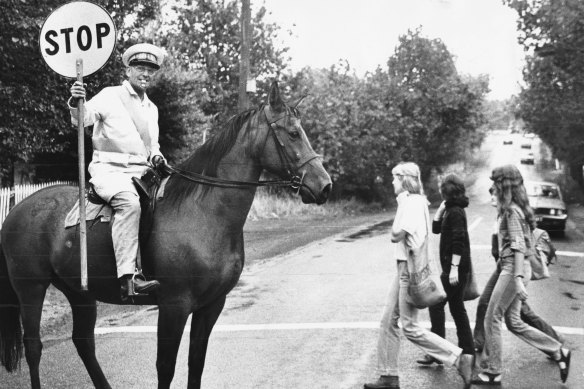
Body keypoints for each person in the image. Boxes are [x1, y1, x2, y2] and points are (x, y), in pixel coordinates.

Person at [68, 43, 167, 298]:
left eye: (150, 70)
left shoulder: (151, 108)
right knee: (129, 204)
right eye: (140, 68)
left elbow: (152, 146)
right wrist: (76, 100)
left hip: (141, 174)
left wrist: (157, 157)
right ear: (129, 70)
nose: (145, 74)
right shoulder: (110, 95)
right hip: (109, 173)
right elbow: (82, 119)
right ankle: (128, 279)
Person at [364, 162, 473, 389]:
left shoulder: (411, 202)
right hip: (403, 267)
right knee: (387, 320)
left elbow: (396, 234)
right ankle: (388, 376)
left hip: (409, 269)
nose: (391, 182)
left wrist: (401, 205)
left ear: (404, 179)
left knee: (410, 327)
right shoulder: (414, 202)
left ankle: (458, 357)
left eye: (394, 178)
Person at [472, 165, 571, 385]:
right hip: (506, 266)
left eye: (495, 183)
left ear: (503, 185)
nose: (492, 187)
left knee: (492, 316)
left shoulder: (511, 211)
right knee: (513, 320)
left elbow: (518, 246)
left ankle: (493, 370)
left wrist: (516, 279)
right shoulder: (513, 208)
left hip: (512, 268)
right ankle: (557, 350)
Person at [416, 173, 474, 366]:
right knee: (457, 309)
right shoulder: (451, 208)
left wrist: (455, 268)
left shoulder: (456, 212)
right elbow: (436, 229)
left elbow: (459, 242)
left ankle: (440, 352)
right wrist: (441, 210)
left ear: (446, 191)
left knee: (438, 304)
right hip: (453, 267)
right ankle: (466, 352)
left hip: (454, 267)